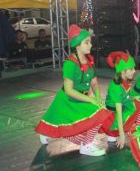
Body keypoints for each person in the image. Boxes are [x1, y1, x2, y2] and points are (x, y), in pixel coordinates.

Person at [35, 24, 113, 156]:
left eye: (90, 42)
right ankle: (86, 145)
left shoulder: (89, 61)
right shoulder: (70, 64)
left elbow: (94, 83)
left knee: (100, 112)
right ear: (77, 45)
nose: (90, 45)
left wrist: (98, 98)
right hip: (69, 101)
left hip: (82, 99)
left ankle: (85, 141)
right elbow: (69, 90)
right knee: (92, 118)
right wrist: (90, 99)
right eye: (86, 42)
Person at [102, 51, 140, 147]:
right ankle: (114, 132)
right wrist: (121, 134)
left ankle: (137, 128)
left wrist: (134, 97)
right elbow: (119, 111)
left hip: (123, 106)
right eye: (131, 69)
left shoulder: (126, 80)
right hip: (114, 113)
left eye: (134, 68)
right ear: (122, 71)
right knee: (121, 119)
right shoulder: (116, 87)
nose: (134, 71)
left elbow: (126, 95)